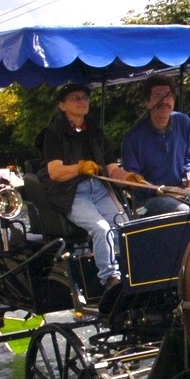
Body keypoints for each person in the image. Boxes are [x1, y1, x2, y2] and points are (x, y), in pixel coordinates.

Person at [40, 82, 126, 290]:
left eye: (85, 98)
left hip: (101, 189)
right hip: (72, 193)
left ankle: (130, 272)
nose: (82, 102)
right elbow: (55, 172)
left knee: (125, 226)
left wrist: (130, 177)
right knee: (101, 228)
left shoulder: (95, 131)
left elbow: (112, 169)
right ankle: (110, 279)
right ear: (62, 105)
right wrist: (80, 168)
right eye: (76, 98)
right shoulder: (53, 133)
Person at [120, 75, 190, 216]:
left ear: (174, 100)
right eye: (157, 95)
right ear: (147, 102)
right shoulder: (132, 137)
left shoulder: (183, 122)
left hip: (182, 191)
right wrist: (156, 190)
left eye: (168, 95)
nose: (164, 101)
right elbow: (134, 180)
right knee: (181, 211)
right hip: (147, 202)